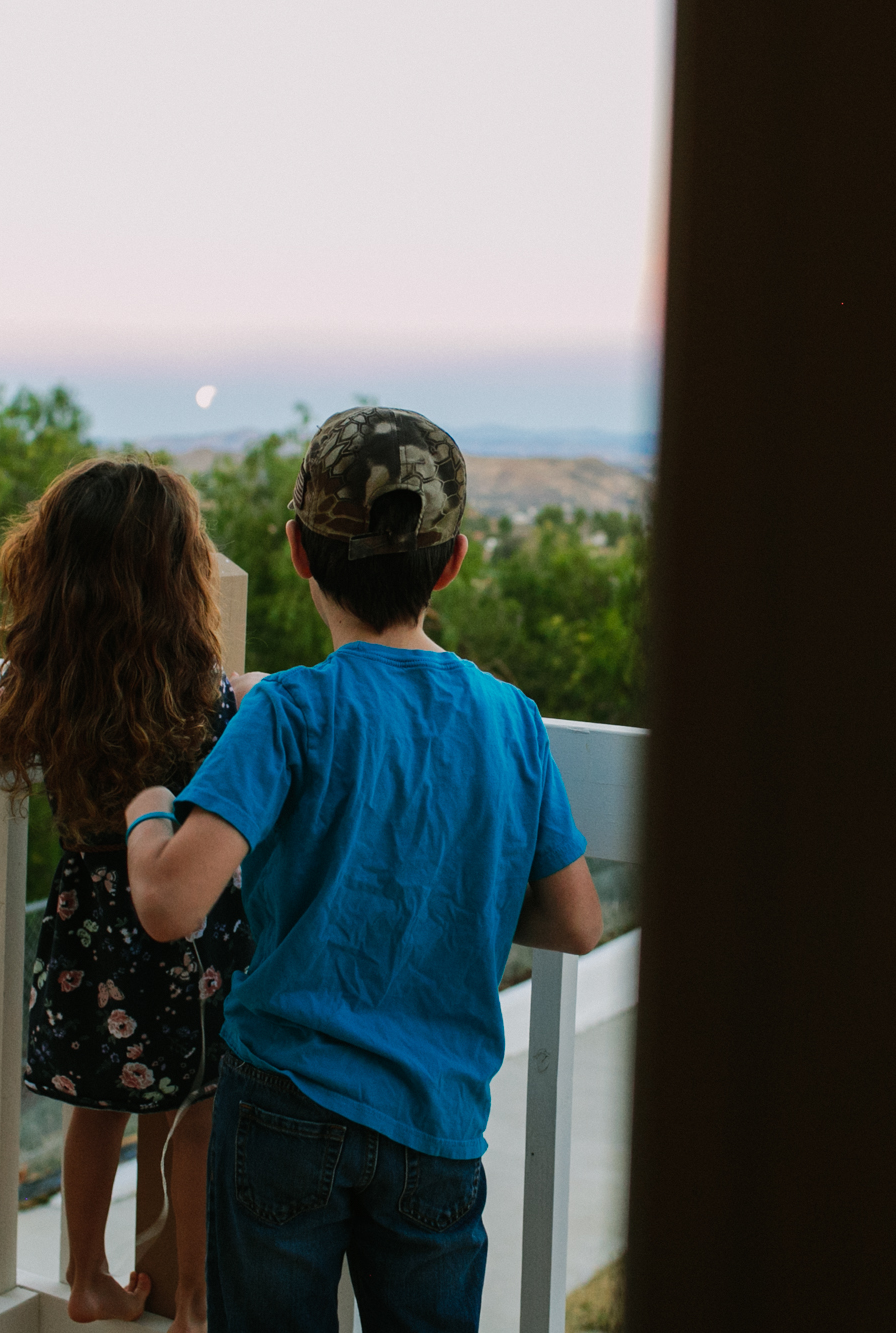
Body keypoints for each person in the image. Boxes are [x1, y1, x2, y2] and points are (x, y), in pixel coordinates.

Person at [121, 407, 604, 1333]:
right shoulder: (511, 719)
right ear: (452, 561)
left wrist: (148, 811)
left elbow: (173, 901)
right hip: (437, 1125)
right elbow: (577, 920)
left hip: (284, 1107)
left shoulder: (292, 711)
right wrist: (460, 892)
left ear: (300, 552)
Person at [0, 457, 251, 1333]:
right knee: (201, 1114)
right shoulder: (205, 685)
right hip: (200, 920)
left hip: (97, 929)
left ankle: (86, 1278)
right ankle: (197, 1299)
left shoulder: (39, 681)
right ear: (180, 573)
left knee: (99, 1111)